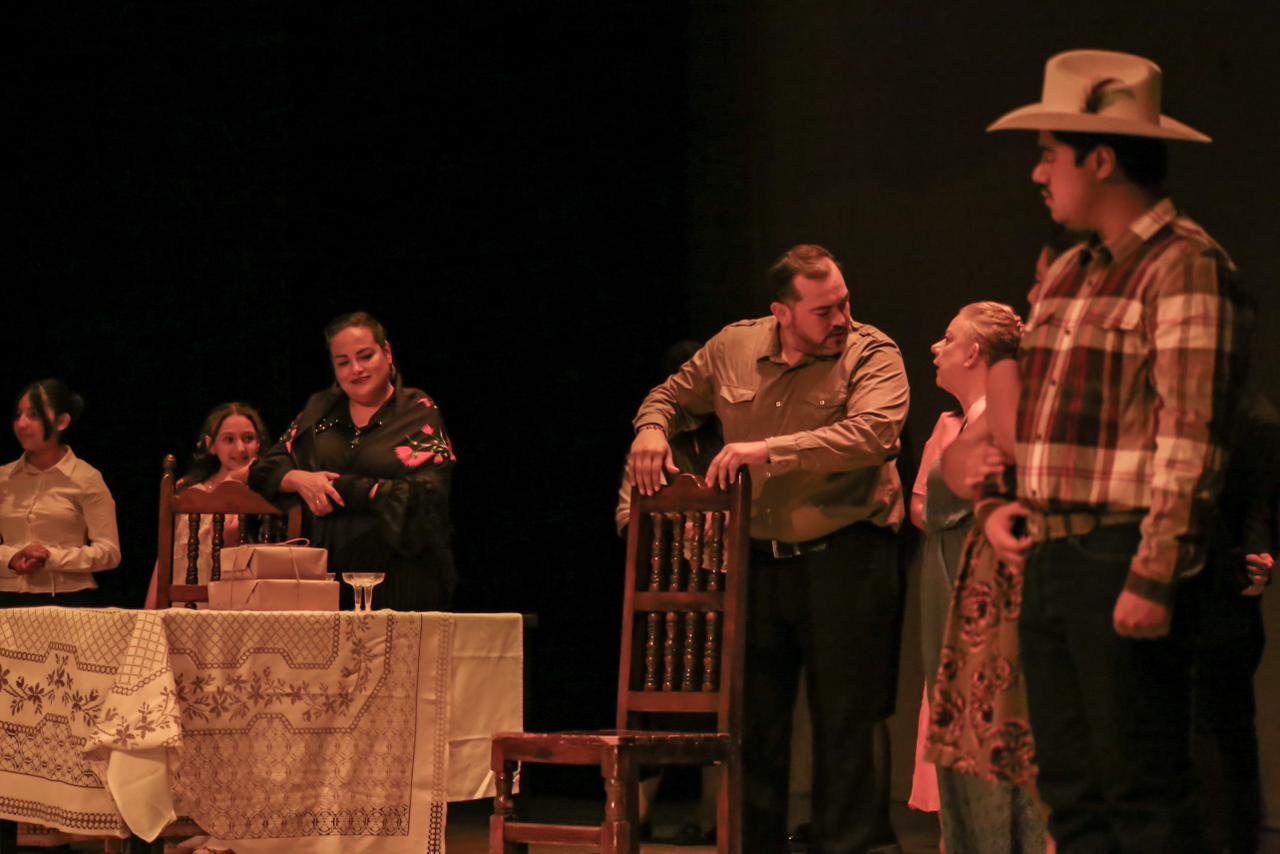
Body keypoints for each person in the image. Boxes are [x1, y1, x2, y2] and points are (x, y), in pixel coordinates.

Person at [981, 50, 1249, 852]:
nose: (1038, 177)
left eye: (1048, 156)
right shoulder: (1069, 271)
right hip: (1057, 557)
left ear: (1099, 160)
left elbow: (1191, 438)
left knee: (1144, 793)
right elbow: (1044, 417)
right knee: (1072, 791)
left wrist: (1154, 574)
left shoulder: (1184, 267)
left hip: (1124, 552)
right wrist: (1004, 500)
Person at [630, 244, 909, 854]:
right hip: (756, 558)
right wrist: (652, 429)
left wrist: (768, 450)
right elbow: (669, 395)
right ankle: (753, 843)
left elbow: (875, 433)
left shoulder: (872, 351)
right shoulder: (734, 347)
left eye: (845, 304)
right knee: (753, 719)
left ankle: (853, 846)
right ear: (781, 312)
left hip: (846, 552)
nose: (841, 319)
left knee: (848, 717)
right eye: (823, 311)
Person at [911, 304, 1048, 854]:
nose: (935, 349)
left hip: (985, 620)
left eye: (948, 339)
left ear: (974, 353)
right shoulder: (968, 423)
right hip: (953, 605)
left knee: (992, 765)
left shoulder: (999, 421)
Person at [250, 311, 456, 611]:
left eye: (365, 356)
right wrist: (300, 479)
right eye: (343, 362)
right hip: (325, 582)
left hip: (401, 580)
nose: (356, 369)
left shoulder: (418, 411)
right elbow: (262, 471)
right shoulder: (320, 408)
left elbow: (425, 497)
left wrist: (341, 489)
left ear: (387, 353)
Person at [0, 379, 120, 606]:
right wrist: (10, 557)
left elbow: (109, 552)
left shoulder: (86, 478)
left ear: (62, 422)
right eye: (18, 415)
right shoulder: (3, 478)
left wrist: (52, 557)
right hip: (6, 599)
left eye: (33, 415)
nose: (22, 424)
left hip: (68, 600)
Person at [144, 402, 271, 607]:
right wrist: (150, 610)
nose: (240, 448)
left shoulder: (264, 497)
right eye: (229, 439)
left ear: (259, 443)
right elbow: (166, 558)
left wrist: (239, 481)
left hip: (231, 607)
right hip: (182, 607)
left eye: (248, 439)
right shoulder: (189, 492)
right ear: (211, 444)